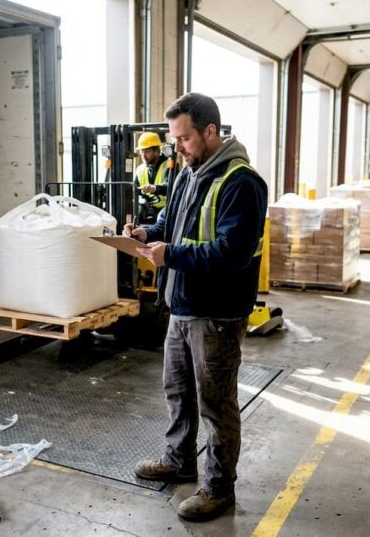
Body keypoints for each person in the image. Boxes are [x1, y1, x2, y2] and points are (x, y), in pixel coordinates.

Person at [123, 93, 267, 522]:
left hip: (217, 315)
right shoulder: (187, 174)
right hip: (181, 306)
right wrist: (146, 233)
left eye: (184, 139)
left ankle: (219, 487)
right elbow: (170, 220)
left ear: (210, 132)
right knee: (178, 393)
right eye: (174, 141)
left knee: (216, 403)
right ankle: (179, 459)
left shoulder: (242, 183)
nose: (177, 148)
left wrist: (171, 256)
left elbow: (230, 254)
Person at [135, 132, 171, 223]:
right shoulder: (140, 169)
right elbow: (134, 190)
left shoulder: (169, 166)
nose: (143, 155)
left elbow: (171, 187)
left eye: (147, 151)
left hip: (166, 210)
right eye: (142, 151)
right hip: (147, 209)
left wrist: (154, 188)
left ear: (157, 151)